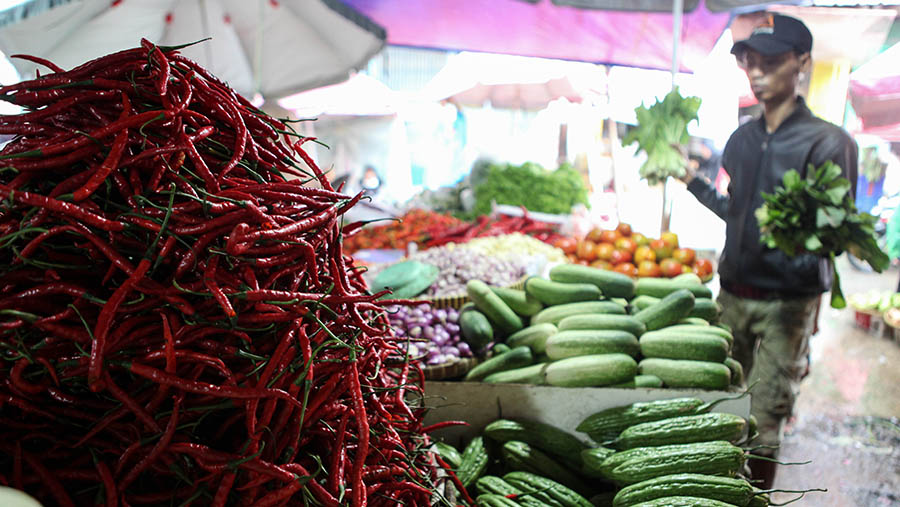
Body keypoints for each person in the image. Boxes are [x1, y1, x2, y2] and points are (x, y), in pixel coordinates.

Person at [680, 13, 858, 489]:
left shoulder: (829, 142)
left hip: (787, 303)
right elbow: (735, 212)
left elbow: (837, 233)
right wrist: (694, 182)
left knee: (764, 420)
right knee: (717, 402)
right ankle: (714, 491)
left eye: (771, 62)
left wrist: (803, 246)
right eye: (750, 62)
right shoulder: (741, 139)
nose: (757, 73)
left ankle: (755, 497)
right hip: (732, 293)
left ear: (801, 64)